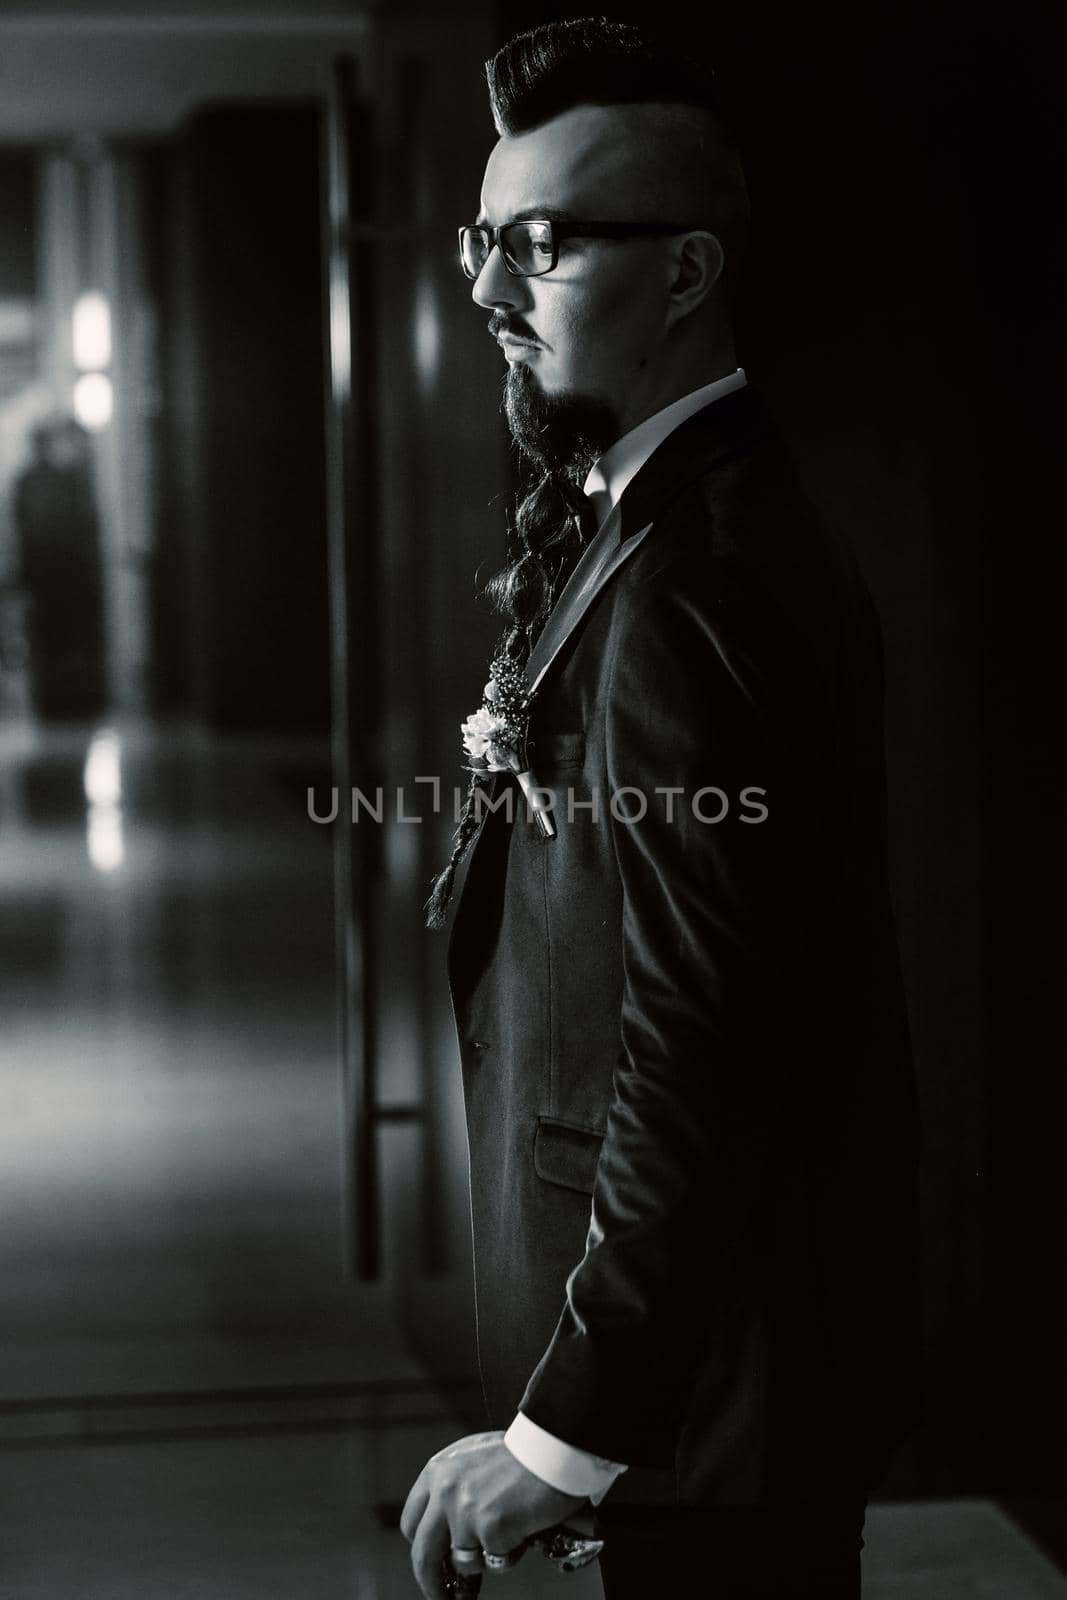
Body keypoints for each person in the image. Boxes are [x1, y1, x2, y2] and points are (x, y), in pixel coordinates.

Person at [402, 19, 922, 1599]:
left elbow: (703, 1046)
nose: (487, 291)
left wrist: (564, 1432)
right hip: (687, 1389)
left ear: (686, 272)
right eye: (482, 241)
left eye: (541, 247)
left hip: (704, 1398)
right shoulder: (653, 521)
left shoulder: (704, 582)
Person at [13, 415, 106, 719]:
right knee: (61, 639)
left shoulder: (35, 481)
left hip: (50, 574)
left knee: (55, 639)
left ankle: (59, 699)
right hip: (58, 574)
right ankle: (65, 699)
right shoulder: (58, 481)